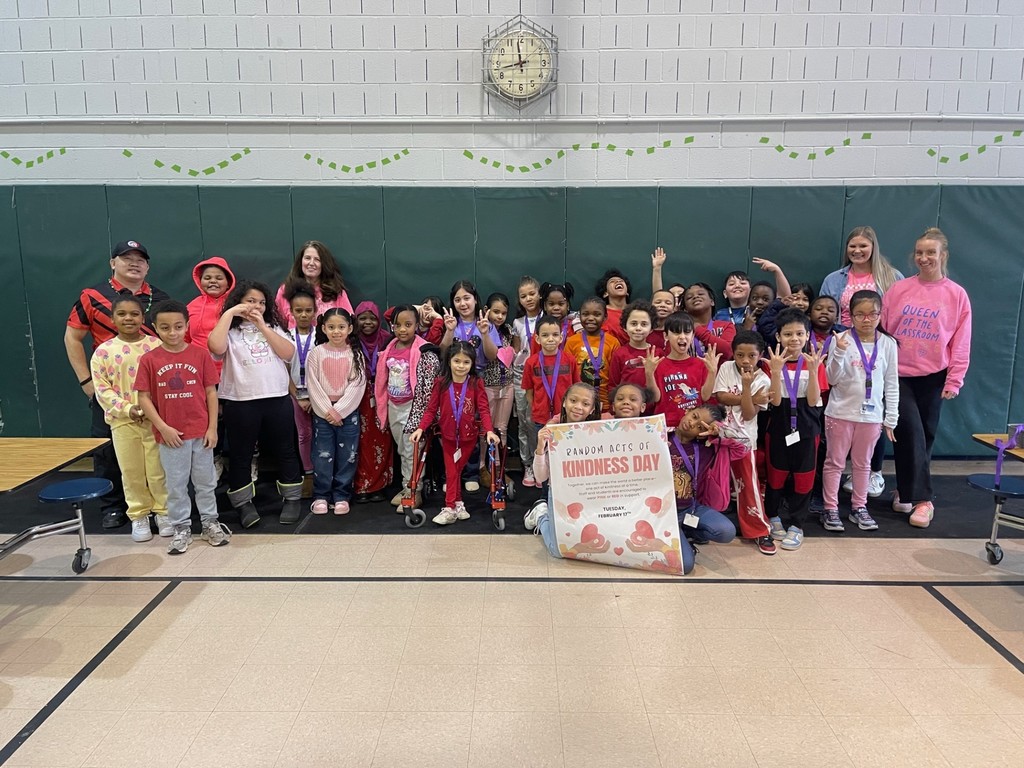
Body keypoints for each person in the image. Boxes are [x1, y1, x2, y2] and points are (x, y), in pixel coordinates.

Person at [64, 239, 170, 529]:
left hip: (152, 395)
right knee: (109, 451)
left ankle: (161, 509)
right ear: (113, 263)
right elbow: (72, 337)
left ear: (147, 266)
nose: (134, 263)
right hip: (111, 390)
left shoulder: (160, 299)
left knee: (155, 456)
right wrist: (88, 383)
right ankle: (114, 506)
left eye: (140, 259)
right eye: (126, 258)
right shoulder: (92, 295)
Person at [881, 227, 972, 528]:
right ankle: (923, 500)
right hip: (899, 375)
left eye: (930, 252)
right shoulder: (899, 289)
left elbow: (961, 340)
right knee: (911, 432)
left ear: (942, 255)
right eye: (919, 253)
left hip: (934, 375)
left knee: (925, 436)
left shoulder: (956, 295)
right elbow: (883, 331)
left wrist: (954, 379)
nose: (924, 258)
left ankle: (904, 491)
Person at [135, 299, 230, 555]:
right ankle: (181, 528)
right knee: (176, 485)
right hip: (171, 436)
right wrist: (163, 427)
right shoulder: (149, 360)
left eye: (178, 326)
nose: (173, 332)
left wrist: (212, 428)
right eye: (165, 328)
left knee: (206, 482)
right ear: (154, 328)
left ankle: (210, 522)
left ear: (187, 326)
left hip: (201, 433)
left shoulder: (199, 355)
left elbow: (211, 392)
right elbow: (143, 397)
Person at [208, 280, 303, 527]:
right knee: (240, 454)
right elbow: (215, 347)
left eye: (261, 302)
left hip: (276, 397)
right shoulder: (230, 330)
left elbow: (288, 353)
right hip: (240, 401)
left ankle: (292, 498)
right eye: (250, 301)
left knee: (286, 449)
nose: (256, 306)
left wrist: (263, 325)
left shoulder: (273, 327)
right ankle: (243, 503)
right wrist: (229, 314)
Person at [821, 226, 905, 498]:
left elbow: (895, 317)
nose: (857, 251)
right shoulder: (835, 279)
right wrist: (839, 345)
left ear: (873, 248)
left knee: (873, 411)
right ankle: (835, 487)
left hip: (875, 349)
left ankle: (873, 473)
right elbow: (826, 311)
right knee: (844, 411)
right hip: (844, 346)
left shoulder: (891, 277)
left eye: (863, 246)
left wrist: (881, 343)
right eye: (852, 246)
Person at [90, 295, 168, 543]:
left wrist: (155, 411)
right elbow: (102, 390)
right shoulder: (103, 352)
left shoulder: (157, 346)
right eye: (122, 314)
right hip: (123, 422)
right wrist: (128, 409)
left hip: (155, 420)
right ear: (113, 318)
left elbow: (165, 381)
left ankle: (163, 512)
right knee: (131, 471)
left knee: (158, 470)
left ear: (143, 317)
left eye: (134, 314)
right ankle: (139, 515)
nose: (128, 319)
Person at [821, 291, 900, 533]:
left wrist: (891, 418)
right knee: (834, 463)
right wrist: (840, 351)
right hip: (840, 413)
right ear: (850, 316)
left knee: (863, 464)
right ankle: (830, 508)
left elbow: (892, 383)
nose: (867, 319)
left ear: (880, 314)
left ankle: (859, 506)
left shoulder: (887, 343)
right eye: (860, 314)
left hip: (871, 416)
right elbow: (831, 378)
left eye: (872, 314)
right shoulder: (841, 339)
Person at [410, 341, 499, 526]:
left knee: (455, 471)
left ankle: (455, 505)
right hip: (448, 436)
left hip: (468, 437)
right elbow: (431, 409)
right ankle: (452, 506)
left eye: (466, 362)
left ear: (472, 364)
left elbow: (483, 409)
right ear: (449, 362)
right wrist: (420, 428)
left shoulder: (476, 383)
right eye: (457, 361)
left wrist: (489, 430)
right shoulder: (441, 383)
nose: (461, 366)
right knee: (452, 472)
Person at [763, 308, 828, 551]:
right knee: (776, 476)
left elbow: (813, 401)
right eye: (788, 334)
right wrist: (777, 371)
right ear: (778, 337)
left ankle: (797, 525)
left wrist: (812, 371)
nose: (794, 339)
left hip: (807, 429)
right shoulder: (772, 364)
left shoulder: (814, 363)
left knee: (803, 479)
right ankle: (774, 517)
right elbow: (776, 402)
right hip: (779, 428)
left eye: (799, 333)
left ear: (807, 335)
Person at [713, 330, 775, 554]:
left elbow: (749, 414)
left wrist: (748, 388)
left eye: (751, 356)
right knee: (715, 483)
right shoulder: (726, 368)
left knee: (748, 487)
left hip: (744, 441)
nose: (745, 361)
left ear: (759, 356)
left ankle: (759, 530)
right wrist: (749, 398)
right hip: (719, 436)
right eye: (740, 355)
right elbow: (721, 396)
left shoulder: (763, 379)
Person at [522, 383, 600, 557]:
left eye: (585, 404)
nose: (578, 407)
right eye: (573, 400)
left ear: (592, 408)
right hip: (558, 494)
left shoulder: (600, 432)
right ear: (564, 402)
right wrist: (541, 448)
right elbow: (541, 477)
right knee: (559, 550)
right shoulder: (552, 431)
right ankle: (541, 514)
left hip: (589, 494)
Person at [305, 308, 366, 517]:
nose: (336, 332)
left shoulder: (355, 354)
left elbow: (357, 385)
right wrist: (327, 411)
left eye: (341, 327)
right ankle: (321, 495)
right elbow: (312, 384)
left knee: (347, 455)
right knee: (323, 455)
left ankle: (341, 495)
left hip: (348, 413)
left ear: (350, 328)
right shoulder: (316, 353)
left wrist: (340, 411)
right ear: (323, 328)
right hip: (323, 414)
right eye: (331, 327)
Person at [376, 305, 429, 510]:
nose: (402, 329)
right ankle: (407, 485)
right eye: (397, 325)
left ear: (417, 325)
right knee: (401, 450)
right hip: (393, 406)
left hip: (412, 407)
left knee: (412, 449)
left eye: (408, 324)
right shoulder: (390, 347)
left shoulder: (422, 348)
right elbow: (382, 379)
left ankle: (414, 490)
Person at [521, 315, 582, 463]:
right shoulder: (531, 362)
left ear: (561, 338)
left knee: (565, 455)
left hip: (566, 417)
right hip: (541, 418)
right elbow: (529, 391)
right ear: (537, 339)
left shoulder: (569, 360)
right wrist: (537, 407)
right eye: (545, 335)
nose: (550, 339)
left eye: (555, 335)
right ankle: (543, 483)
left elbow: (576, 387)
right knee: (544, 453)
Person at [644, 312, 718, 430]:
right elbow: (655, 398)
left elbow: (704, 396)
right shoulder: (658, 364)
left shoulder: (700, 364)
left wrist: (712, 372)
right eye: (676, 332)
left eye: (687, 332)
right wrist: (649, 373)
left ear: (693, 335)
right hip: (665, 425)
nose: (682, 336)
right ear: (666, 336)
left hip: (692, 426)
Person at [352, 301, 393, 503]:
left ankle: (379, 486)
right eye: (362, 318)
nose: (367, 322)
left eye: (372, 318)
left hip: (382, 394)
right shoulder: (350, 340)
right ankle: (361, 486)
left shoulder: (387, 339)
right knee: (360, 441)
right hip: (357, 397)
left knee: (382, 441)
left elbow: (392, 315)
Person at [274, 240, 354, 329]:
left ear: (324, 264)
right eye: (307, 258)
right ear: (300, 261)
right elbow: (279, 326)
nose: (311, 263)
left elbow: (349, 323)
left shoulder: (336, 291)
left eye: (317, 259)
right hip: (293, 342)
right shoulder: (285, 290)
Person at [285, 282, 318, 496]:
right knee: (303, 434)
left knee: (321, 434)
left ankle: (324, 474)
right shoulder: (285, 336)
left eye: (308, 310)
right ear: (291, 312)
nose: (304, 315)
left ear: (315, 311)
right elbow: (284, 369)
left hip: (319, 396)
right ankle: (308, 473)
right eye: (299, 311)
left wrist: (314, 397)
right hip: (295, 394)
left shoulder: (321, 335)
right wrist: (297, 395)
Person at [512, 276, 543, 488]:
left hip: (544, 374)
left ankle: (543, 464)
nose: (529, 298)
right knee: (524, 421)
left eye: (532, 294)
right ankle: (528, 464)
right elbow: (515, 351)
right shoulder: (517, 323)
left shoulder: (549, 319)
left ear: (539, 294)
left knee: (541, 420)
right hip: (521, 374)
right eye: (524, 296)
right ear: (519, 300)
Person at [563, 297, 620, 412]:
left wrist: (613, 401)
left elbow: (615, 377)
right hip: (579, 403)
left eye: (597, 314)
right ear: (579, 316)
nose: (590, 318)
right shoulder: (572, 341)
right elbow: (568, 373)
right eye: (585, 314)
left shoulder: (613, 342)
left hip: (605, 402)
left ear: (605, 317)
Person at [185, 256, 235, 367]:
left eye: (219, 278)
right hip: (198, 368)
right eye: (207, 278)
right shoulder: (191, 306)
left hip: (230, 370)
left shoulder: (235, 306)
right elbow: (184, 338)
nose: (213, 281)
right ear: (200, 281)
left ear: (228, 283)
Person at [481, 292, 516, 449]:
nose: (500, 316)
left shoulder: (508, 330)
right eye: (496, 312)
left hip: (507, 385)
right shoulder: (482, 329)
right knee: (486, 429)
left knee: (502, 428)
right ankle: (483, 467)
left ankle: (499, 466)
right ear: (487, 310)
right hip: (488, 385)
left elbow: (515, 353)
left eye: (504, 313)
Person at [607, 300, 655, 394]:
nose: (638, 328)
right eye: (633, 324)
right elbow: (613, 385)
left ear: (651, 329)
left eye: (644, 324)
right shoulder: (619, 354)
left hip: (652, 406)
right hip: (627, 406)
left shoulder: (658, 353)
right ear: (625, 327)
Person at [681, 282, 736, 359]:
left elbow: (728, 351)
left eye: (700, 294)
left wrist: (698, 330)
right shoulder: (681, 330)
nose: (696, 297)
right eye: (689, 297)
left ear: (712, 302)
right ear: (685, 309)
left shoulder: (726, 326)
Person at [594, 269, 631, 344]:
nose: (618, 282)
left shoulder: (637, 310)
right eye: (612, 281)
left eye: (621, 281)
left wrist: (657, 268)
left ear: (627, 292)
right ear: (605, 293)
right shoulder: (600, 312)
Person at [647, 289, 677, 355]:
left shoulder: (677, 332)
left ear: (674, 309)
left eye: (668, 303)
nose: (662, 305)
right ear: (650, 306)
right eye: (658, 302)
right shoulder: (645, 331)